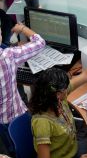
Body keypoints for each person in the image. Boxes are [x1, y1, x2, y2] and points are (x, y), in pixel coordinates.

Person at [29, 38, 87, 158]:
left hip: (72, 145)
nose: (69, 86)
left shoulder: (55, 97)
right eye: (65, 88)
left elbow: (86, 74)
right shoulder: (42, 123)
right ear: (58, 94)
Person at [0, 23, 46, 155]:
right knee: (27, 148)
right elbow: (40, 42)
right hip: (14, 117)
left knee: (11, 148)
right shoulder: (8, 56)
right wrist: (22, 29)